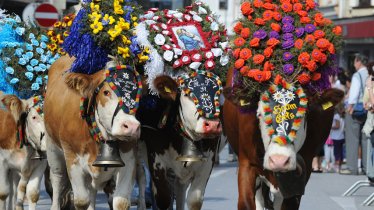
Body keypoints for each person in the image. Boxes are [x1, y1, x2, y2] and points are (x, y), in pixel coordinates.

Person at [341, 53, 369, 175]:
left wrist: (350, 107)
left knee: (352, 138)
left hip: (356, 109)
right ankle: (367, 167)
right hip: (367, 109)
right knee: (366, 139)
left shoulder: (357, 75)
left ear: (358, 61)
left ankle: (352, 167)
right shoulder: (369, 73)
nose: (354, 64)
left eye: (354, 61)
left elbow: (354, 93)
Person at [361, 61, 374, 182]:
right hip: (371, 123)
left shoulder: (370, 86)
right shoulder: (370, 84)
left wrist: (370, 87)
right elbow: (366, 104)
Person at [330, 103, 345, 172]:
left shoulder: (336, 116)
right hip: (342, 136)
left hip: (336, 137)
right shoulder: (343, 116)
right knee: (341, 152)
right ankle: (340, 166)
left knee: (336, 152)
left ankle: (337, 166)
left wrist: (330, 127)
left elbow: (337, 126)